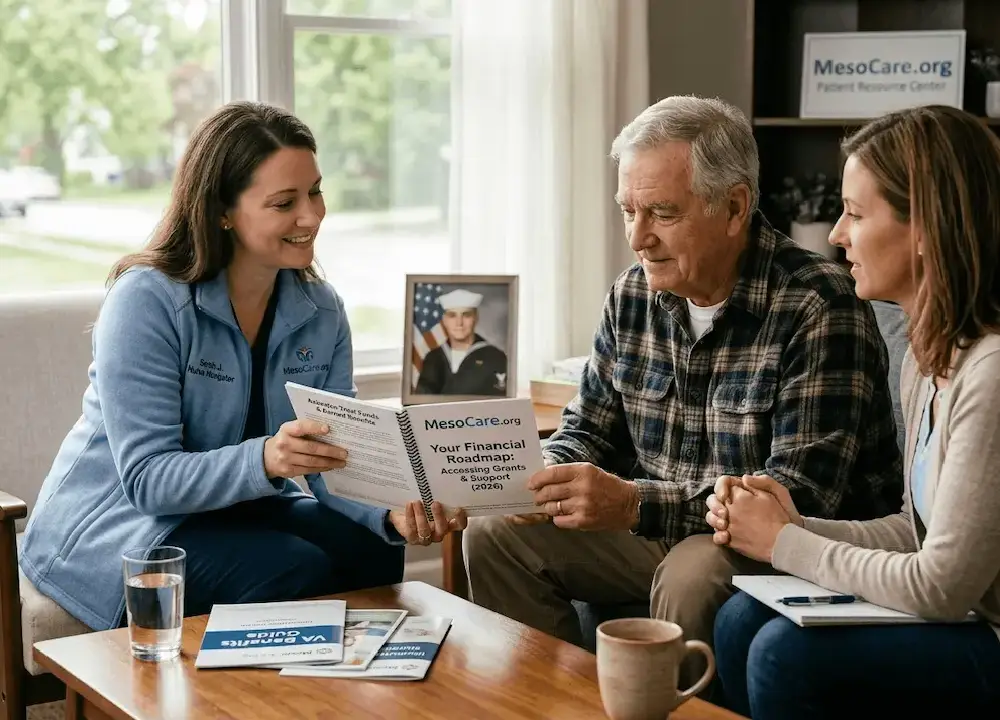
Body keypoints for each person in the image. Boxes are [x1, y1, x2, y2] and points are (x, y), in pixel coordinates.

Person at [461, 95, 903, 689]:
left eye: (662, 213)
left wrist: (633, 504)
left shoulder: (819, 304)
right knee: (493, 536)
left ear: (734, 207)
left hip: (770, 544)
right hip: (652, 527)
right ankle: (557, 705)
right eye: (628, 211)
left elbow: (801, 500)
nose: (638, 238)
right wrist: (530, 484)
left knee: (692, 571)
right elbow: (587, 429)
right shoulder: (631, 295)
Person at [18, 101, 467, 632]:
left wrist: (388, 510)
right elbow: (148, 480)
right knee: (294, 569)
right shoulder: (146, 300)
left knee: (368, 546)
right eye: (285, 202)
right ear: (222, 212)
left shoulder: (322, 311)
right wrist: (269, 458)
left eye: (315, 192)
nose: (312, 216)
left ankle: (343, 696)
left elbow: (334, 460)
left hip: (234, 511)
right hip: (122, 529)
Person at [708, 105, 1000, 719]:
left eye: (856, 213)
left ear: (926, 228)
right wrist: (793, 526)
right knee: (738, 620)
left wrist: (786, 544)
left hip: (987, 631)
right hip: (963, 614)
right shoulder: (927, 357)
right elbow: (913, 530)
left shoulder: (991, 373)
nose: (836, 233)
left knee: (784, 656)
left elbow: (941, 585)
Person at [414, 288, 508, 396]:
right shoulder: (433, 358)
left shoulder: (495, 358)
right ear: (444, 320)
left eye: (466, 315)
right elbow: (421, 402)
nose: (459, 323)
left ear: (476, 318)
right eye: (452, 315)